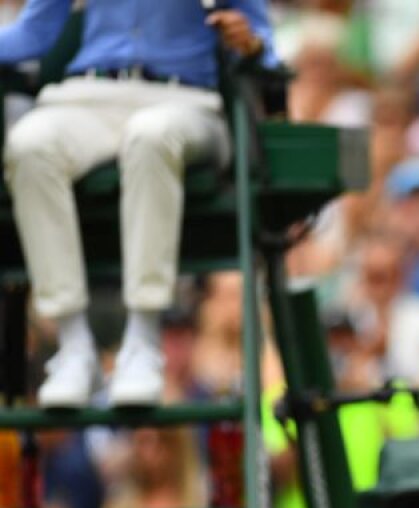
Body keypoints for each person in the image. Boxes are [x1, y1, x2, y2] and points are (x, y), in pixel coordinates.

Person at [0, 0, 276, 408]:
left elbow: (263, 42)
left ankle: (143, 342)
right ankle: (74, 347)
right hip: (87, 97)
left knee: (150, 137)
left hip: (184, 101)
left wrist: (249, 42)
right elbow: (33, 35)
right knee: (30, 145)